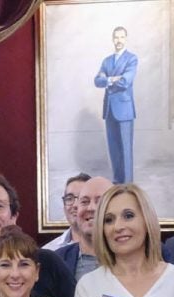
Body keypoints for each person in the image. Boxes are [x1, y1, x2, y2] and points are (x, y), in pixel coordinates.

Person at [95, 27, 137, 183]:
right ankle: (118, 182)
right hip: (109, 109)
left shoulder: (131, 59)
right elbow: (97, 81)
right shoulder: (107, 61)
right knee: (114, 149)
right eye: (116, 37)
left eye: (122, 37)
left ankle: (128, 183)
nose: (119, 40)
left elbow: (126, 81)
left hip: (125, 110)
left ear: (126, 39)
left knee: (126, 148)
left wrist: (107, 79)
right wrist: (113, 79)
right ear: (112, 39)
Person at [55, 176, 115, 280]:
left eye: (100, 201)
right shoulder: (56, 260)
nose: (91, 208)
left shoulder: (133, 258)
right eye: (84, 201)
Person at [43, 173, 91, 250]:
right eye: (69, 199)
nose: (75, 205)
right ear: (64, 208)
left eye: (82, 199)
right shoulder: (50, 251)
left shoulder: (111, 246)